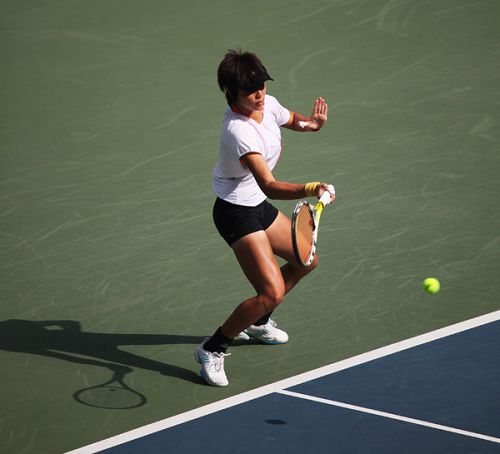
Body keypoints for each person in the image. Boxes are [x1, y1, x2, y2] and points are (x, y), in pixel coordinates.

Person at [194, 49, 334, 386]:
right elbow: (270, 185)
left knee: (306, 260)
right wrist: (312, 187)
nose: (259, 95)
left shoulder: (266, 104)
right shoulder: (237, 132)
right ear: (232, 93)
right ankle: (213, 348)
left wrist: (310, 124)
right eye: (251, 91)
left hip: (255, 205)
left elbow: (289, 118)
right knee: (271, 291)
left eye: (262, 87)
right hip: (235, 212)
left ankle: (258, 322)